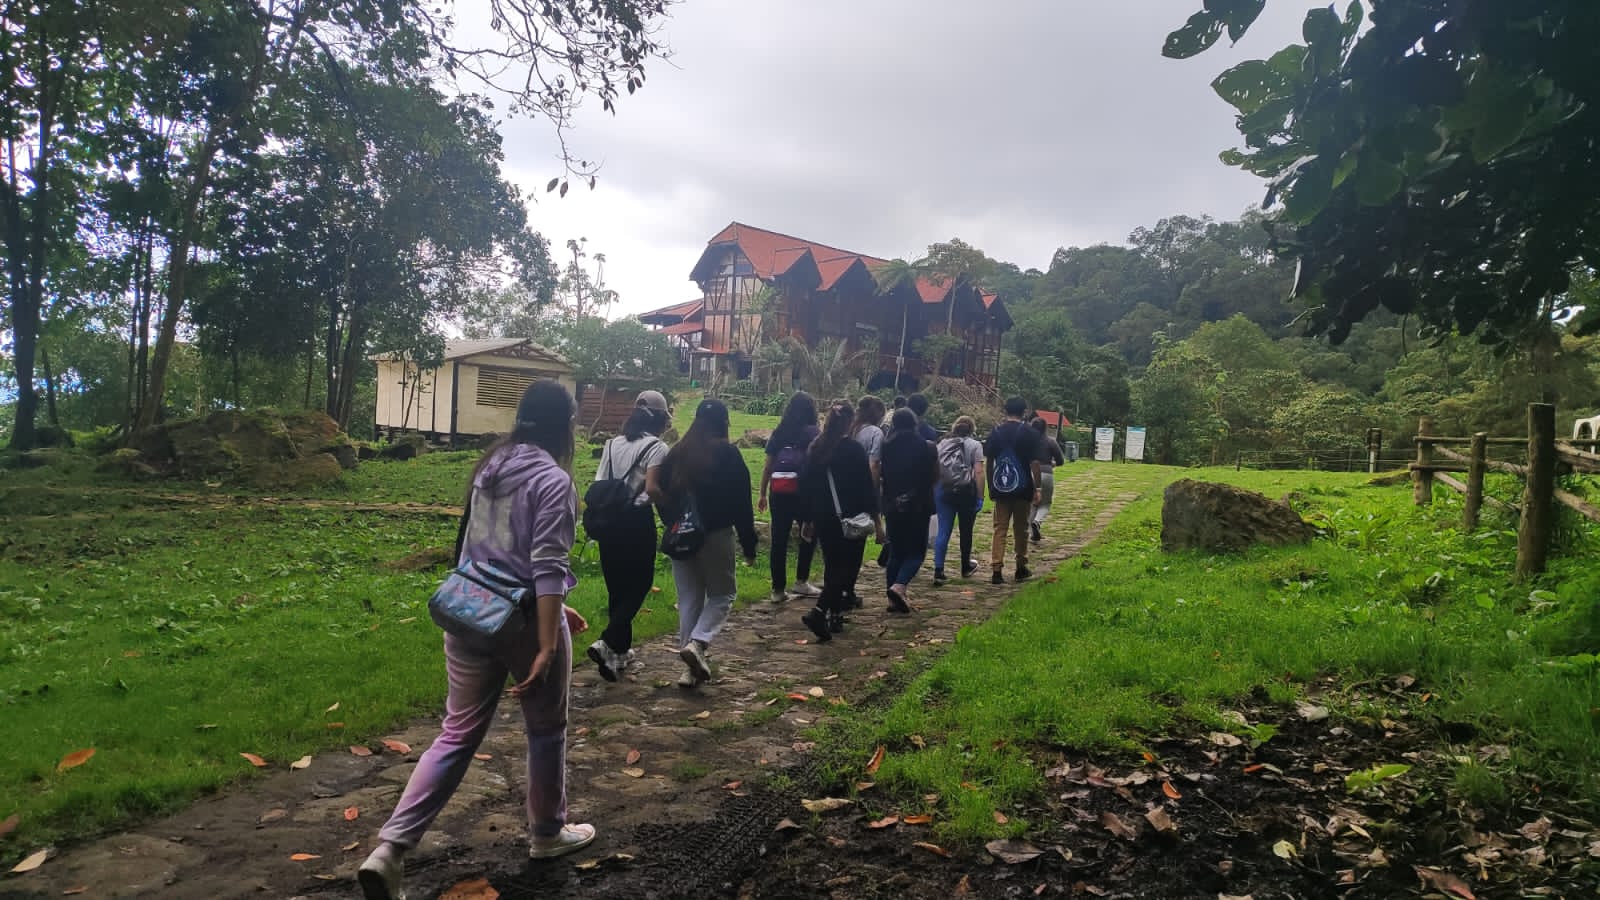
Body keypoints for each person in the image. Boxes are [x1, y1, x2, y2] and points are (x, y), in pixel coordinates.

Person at [360, 381, 593, 900]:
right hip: (525, 620)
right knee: (546, 731)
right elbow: (547, 565)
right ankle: (547, 834)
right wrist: (548, 641)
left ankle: (390, 849)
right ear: (565, 425)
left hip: (469, 610)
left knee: (456, 733)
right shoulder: (553, 480)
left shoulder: (491, 466)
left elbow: (481, 549)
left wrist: (555, 608)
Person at [657, 398, 759, 687]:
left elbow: (660, 494)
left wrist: (673, 523)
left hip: (681, 537)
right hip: (716, 535)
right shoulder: (729, 455)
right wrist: (749, 546)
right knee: (722, 595)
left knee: (689, 599)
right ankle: (698, 643)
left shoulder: (677, 453)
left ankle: (689, 670)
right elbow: (742, 506)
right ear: (724, 423)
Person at [585, 391, 671, 682]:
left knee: (618, 588)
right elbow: (654, 489)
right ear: (660, 419)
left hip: (608, 522)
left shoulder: (611, 445)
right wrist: (670, 513)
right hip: (636, 522)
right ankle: (607, 640)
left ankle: (618, 656)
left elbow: (600, 483)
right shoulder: (657, 448)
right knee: (640, 583)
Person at [798, 399, 881, 641]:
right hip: (851, 517)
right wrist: (877, 521)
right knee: (845, 571)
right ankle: (821, 611)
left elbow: (806, 486)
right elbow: (866, 488)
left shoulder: (816, 448)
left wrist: (807, 518)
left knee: (831, 566)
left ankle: (832, 614)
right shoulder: (853, 450)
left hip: (824, 517)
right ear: (850, 422)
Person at [759, 392, 820, 604]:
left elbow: (768, 466)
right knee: (809, 534)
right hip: (804, 492)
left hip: (779, 490)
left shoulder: (779, 432)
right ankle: (801, 580)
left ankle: (777, 589)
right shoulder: (813, 433)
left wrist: (762, 493)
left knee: (779, 539)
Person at [879, 408, 939, 611]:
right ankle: (899, 586)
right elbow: (934, 476)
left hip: (892, 505)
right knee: (916, 552)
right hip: (918, 506)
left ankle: (891, 598)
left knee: (896, 552)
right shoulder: (928, 447)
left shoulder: (885, 446)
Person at [985, 397, 1043, 585]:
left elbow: (989, 461)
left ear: (1005, 411)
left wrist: (991, 484)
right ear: (1023, 412)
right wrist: (1038, 487)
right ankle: (1020, 566)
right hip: (1023, 487)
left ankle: (996, 569)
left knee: (999, 528)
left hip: (1001, 487)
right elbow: (1034, 463)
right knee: (1021, 528)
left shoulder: (995, 432)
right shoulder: (1029, 433)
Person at [932, 416, 985, 586]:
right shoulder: (975, 445)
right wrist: (980, 496)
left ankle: (938, 570)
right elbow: (978, 472)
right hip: (965, 493)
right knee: (966, 530)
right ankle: (965, 566)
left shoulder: (942, 444)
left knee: (943, 531)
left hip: (944, 491)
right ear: (971, 429)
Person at [845, 396, 888, 608]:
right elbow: (874, 464)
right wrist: (872, 492)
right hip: (860, 493)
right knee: (856, 541)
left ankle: (837, 587)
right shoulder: (875, 433)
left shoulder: (850, 429)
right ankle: (848, 589)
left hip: (840, 491)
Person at [1029, 417, 1065, 544]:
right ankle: (1037, 522)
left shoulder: (1027, 442)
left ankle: (1031, 533)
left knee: (1032, 503)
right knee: (1045, 503)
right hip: (1046, 473)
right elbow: (1060, 460)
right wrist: (1052, 463)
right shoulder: (1050, 441)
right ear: (1045, 428)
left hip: (1029, 473)